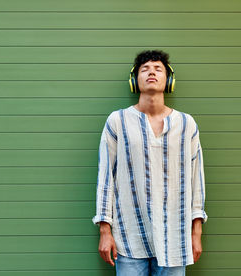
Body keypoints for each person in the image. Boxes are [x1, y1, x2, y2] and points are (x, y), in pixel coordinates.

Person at [92, 49, 208, 276]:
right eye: (144, 69)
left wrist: (196, 233)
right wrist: (105, 231)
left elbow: (197, 181)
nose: (151, 72)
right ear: (135, 81)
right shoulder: (118, 121)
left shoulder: (186, 124)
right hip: (129, 239)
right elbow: (105, 177)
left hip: (175, 238)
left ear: (169, 80)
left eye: (158, 69)